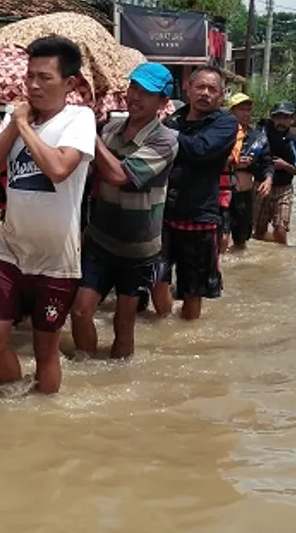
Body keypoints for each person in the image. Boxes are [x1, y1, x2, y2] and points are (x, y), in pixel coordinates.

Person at [0, 36, 97, 394]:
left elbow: (59, 168)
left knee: (46, 351)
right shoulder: (16, 119)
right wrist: (14, 123)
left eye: (45, 77)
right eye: (30, 77)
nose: (34, 85)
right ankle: (18, 401)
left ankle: (44, 422)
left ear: (69, 83)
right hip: (10, 249)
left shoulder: (79, 119)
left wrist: (24, 127)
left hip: (57, 258)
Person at [70, 63, 179, 359]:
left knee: (124, 322)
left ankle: (117, 375)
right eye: (134, 88)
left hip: (138, 249)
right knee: (80, 311)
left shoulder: (166, 140)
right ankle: (87, 371)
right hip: (100, 238)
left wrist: (89, 136)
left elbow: (120, 176)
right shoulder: (111, 129)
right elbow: (90, 172)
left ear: (163, 103)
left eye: (146, 93)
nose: (136, 97)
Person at [152, 67, 240, 321]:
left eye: (212, 89)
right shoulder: (174, 120)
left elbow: (201, 149)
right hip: (164, 212)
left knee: (193, 289)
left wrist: (164, 134)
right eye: (200, 87)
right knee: (156, 277)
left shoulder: (225, 123)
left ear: (222, 95)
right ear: (188, 89)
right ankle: (164, 326)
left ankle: (185, 333)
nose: (205, 93)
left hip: (200, 215)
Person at [218, 92, 273, 252]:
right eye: (241, 109)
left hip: (244, 194)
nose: (246, 113)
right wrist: (233, 163)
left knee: (241, 240)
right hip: (222, 193)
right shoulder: (221, 134)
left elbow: (267, 163)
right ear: (231, 111)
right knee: (223, 238)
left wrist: (268, 180)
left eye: (248, 109)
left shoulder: (258, 138)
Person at [254, 101, 296, 245]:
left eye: (285, 118)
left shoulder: (295, 142)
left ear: (292, 120)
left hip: (284, 188)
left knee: (281, 229)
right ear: (272, 118)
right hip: (261, 185)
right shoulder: (261, 136)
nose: (281, 121)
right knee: (257, 230)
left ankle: (283, 258)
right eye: (278, 117)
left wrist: (285, 166)